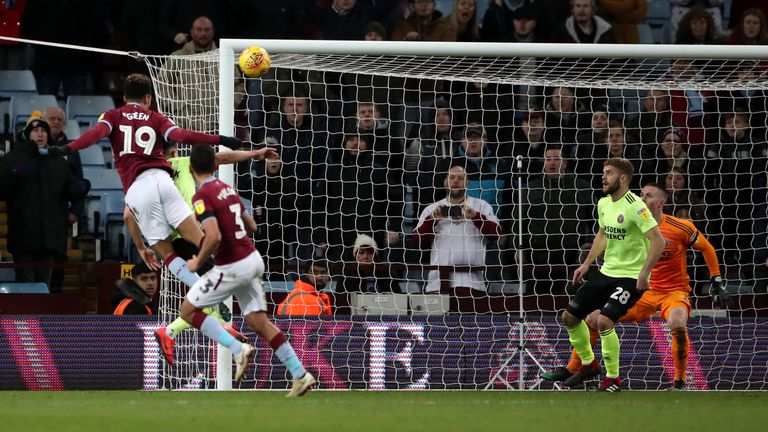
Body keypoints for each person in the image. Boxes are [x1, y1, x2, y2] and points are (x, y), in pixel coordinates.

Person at [47, 73, 243, 292]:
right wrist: (222, 139)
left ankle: (203, 292)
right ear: (148, 99)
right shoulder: (156, 118)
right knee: (201, 240)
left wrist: (66, 148)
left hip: (139, 188)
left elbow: (94, 135)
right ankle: (233, 275)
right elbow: (182, 135)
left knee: (169, 254)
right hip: (163, 180)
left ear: (124, 98)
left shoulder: (113, 116)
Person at [156, 144, 316, 395]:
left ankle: (237, 349)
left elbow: (214, 236)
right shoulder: (228, 189)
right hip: (252, 258)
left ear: (190, 167)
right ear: (215, 165)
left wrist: (197, 262)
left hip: (232, 266)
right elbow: (251, 224)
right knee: (258, 322)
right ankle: (300, 374)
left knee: (187, 310)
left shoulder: (201, 197)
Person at [542, 182, 731, 390]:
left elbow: (707, 248)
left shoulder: (680, 227)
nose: (642, 199)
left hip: (673, 292)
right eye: (641, 194)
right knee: (593, 319)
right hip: (641, 290)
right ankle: (576, 368)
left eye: (648, 195)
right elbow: (607, 237)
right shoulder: (632, 224)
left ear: (662, 202)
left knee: (677, 323)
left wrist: (716, 279)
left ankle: (680, 382)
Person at [126, 139, 276, 349]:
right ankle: (218, 323)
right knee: (223, 280)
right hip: (192, 235)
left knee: (210, 288)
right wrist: (254, 153)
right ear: (174, 152)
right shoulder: (181, 162)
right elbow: (224, 157)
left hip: (171, 242)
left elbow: (127, 216)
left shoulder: (143, 181)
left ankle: (171, 331)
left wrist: (140, 246)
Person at [560, 157, 665, 392]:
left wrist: (644, 274)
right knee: (569, 317)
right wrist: (587, 263)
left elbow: (659, 241)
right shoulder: (604, 203)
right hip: (606, 272)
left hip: (629, 277)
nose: (603, 177)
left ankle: (613, 378)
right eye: (603, 172)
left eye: (608, 173)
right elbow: (602, 234)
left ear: (623, 178)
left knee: (604, 320)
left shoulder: (636, 206)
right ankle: (589, 364)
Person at [0, 114, 90, 287]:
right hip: (23, 236)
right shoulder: (13, 159)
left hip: (50, 238)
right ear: (28, 135)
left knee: (44, 286)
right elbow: (3, 190)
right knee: (25, 285)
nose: (40, 134)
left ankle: (42, 315)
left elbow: (71, 187)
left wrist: (81, 186)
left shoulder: (56, 160)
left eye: (43, 131)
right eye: (35, 131)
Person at [413, 165, 501, 309]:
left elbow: (496, 234)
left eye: (460, 178)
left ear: (467, 183)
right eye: (452, 177)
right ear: (445, 182)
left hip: (473, 283)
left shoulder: (481, 206)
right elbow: (416, 242)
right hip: (439, 284)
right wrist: (432, 220)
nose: (456, 181)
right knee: (438, 331)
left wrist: (476, 217)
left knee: (474, 330)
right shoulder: (432, 209)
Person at [338, 234, 402, 293]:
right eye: (361, 252)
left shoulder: (387, 275)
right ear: (355, 255)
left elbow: (398, 298)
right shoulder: (346, 276)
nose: (365, 257)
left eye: (369, 253)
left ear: (375, 256)